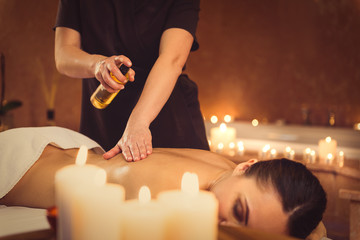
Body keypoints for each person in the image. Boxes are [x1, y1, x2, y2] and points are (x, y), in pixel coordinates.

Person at [0, 127, 326, 239]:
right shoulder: (177, 195)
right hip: (18, 169)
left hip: (59, 143)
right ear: (247, 167)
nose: (227, 226)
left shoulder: (227, 170)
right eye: (239, 210)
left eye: (245, 233)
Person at [53, 0, 209, 162]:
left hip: (168, 115)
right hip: (103, 116)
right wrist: (98, 65)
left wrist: (139, 122)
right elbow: (64, 54)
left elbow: (172, 59)